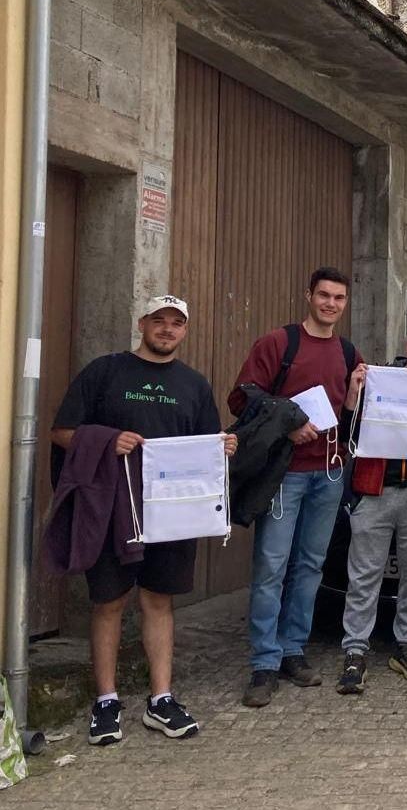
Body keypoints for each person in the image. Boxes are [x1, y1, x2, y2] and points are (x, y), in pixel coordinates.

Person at [50, 296, 236, 744]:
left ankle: (161, 699)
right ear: (142, 323)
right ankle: (107, 701)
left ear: (185, 331)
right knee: (109, 601)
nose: (167, 330)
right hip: (114, 508)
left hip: (171, 512)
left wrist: (222, 448)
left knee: (158, 600)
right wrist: (107, 441)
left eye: (176, 323)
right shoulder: (104, 371)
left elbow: (207, 443)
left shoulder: (193, 384)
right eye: (159, 321)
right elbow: (61, 432)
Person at [231, 268, 365, 708]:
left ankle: (293, 649)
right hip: (285, 475)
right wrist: (288, 424)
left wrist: (352, 402)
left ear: (345, 303)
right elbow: (243, 396)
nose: (330, 303)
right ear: (308, 296)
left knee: (310, 566)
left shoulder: (348, 351)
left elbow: (350, 419)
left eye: (339, 298)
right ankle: (264, 661)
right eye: (323, 295)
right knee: (272, 565)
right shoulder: (279, 343)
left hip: (330, 472)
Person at [335, 321, 407, 695]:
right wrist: (354, 394)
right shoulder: (379, 379)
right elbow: (347, 433)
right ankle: (355, 651)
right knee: (364, 576)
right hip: (375, 491)